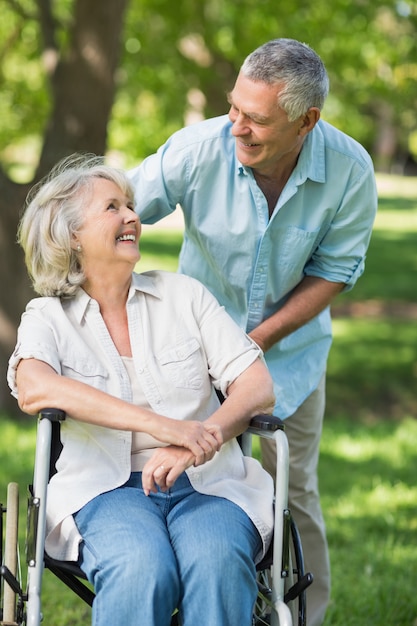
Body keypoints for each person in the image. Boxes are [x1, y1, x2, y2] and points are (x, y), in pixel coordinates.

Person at [127, 38, 378, 625]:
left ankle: (302, 616)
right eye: (234, 108)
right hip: (195, 360)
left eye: (256, 119)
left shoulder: (349, 169)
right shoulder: (198, 149)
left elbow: (336, 271)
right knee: (200, 485)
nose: (236, 127)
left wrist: (254, 342)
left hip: (291, 356)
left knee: (294, 490)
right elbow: (119, 208)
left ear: (305, 121)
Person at [7, 155, 276, 626]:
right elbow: (33, 387)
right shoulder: (47, 317)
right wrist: (163, 428)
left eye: (130, 205)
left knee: (216, 563)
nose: (132, 216)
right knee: (140, 568)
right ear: (71, 235)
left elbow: (256, 386)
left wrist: (199, 440)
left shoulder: (183, 296)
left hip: (209, 482)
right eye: (112, 207)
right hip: (106, 489)